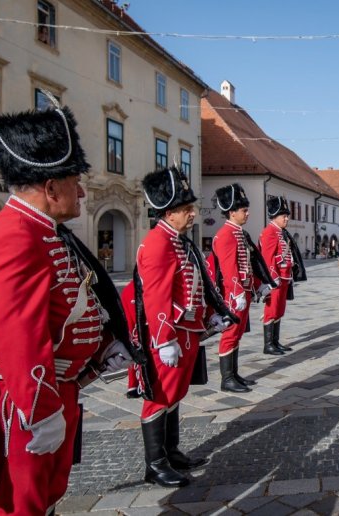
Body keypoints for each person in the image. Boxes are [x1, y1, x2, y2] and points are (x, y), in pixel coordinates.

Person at [0, 97, 133, 514]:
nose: (81, 191)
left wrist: (102, 346)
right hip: (24, 395)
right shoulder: (14, 236)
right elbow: (18, 333)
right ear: (51, 186)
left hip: (59, 386)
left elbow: (67, 302)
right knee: (19, 501)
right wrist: (39, 409)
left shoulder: (44, 230)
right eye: (75, 181)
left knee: (45, 494)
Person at [121, 166, 238, 487]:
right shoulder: (158, 243)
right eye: (186, 209)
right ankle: (155, 464)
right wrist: (163, 340)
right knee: (159, 395)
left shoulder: (178, 242)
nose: (192, 214)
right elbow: (157, 296)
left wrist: (208, 317)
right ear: (169, 213)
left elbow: (193, 287)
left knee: (175, 393)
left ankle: (171, 452)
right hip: (169, 334)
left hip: (186, 331)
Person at [206, 183, 276, 393]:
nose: (247, 213)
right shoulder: (226, 235)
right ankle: (227, 378)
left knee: (237, 335)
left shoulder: (238, 233)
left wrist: (257, 285)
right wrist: (236, 293)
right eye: (244, 210)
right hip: (232, 294)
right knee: (230, 334)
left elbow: (248, 265)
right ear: (232, 212)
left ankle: (234, 374)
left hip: (243, 292)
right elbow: (230, 270)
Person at [259, 195, 306, 355]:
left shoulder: (281, 232)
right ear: (275, 216)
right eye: (283, 216)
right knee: (271, 311)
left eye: (287, 215)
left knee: (279, 310)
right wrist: (273, 279)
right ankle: (268, 344)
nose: (286, 218)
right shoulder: (269, 232)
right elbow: (268, 258)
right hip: (276, 279)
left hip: (285, 277)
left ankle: (275, 341)